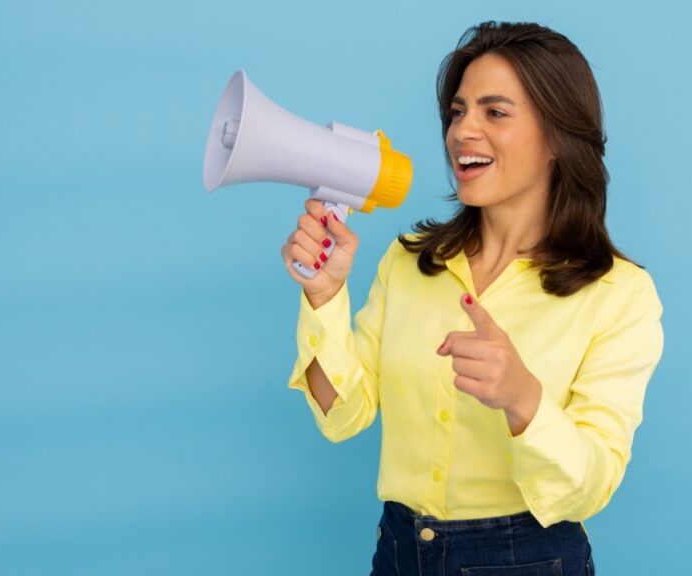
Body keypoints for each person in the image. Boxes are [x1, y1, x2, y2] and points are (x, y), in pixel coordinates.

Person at [280, 21, 663, 576]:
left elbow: (588, 489)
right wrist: (324, 296)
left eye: (495, 112)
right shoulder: (410, 261)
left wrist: (523, 398)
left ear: (557, 136)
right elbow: (343, 414)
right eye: (458, 112)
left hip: (528, 558)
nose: (463, 132)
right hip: (399, 550)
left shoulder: (618, 294)